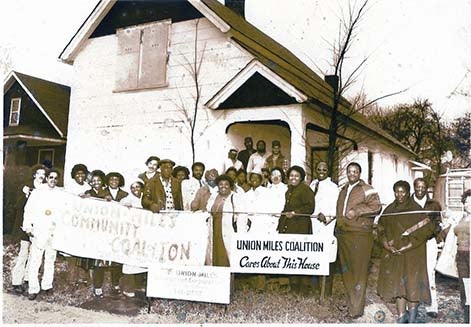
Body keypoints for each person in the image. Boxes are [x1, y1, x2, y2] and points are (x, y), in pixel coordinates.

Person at [377, 180, 435, 323]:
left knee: (412, 285)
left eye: (402, 191)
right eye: (397, 191)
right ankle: (402, 317)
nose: (399, 194)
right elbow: (380, 229)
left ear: (409, 193)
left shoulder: (416, 210)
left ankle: (413, 318)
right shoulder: (389, 209)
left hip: (413, 254)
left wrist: (407, 246)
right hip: (394, 255)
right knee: (399, 286)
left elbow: (425, 232)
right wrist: (386, 245)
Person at [335, 162, 381, 318]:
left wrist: (357, 211)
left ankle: (356, 309)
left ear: (360, 173)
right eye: (349, 171)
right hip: (344, 234)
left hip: (360, 235)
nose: (352, 174)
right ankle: (351, 305)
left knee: (359, 273)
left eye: (355, 171)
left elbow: (376, 207)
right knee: (347, 272)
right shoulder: (343, 189)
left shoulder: (367, 189)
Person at [22, 168, 65, 300]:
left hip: (53, 231)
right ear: (46, 178)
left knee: (50, 259)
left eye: (55, 178)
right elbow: (28, 210)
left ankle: (47, 286)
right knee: (35, 260)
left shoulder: (60, 193)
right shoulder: (38, 192)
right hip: (39, 230)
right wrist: (28, 226)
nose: (53, 180)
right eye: (51, 177)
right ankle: (33, 288)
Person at [277, 165, 315, 293]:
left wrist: (295, 212)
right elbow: (286, 207)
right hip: (289, 226)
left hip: (301, 226)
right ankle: (293, 286)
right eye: (291, 176)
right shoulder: (289, 190)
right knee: (291, 257)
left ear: (301, 178)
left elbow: (310, 208)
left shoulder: (305, 190)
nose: (294, 178)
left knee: (301, 256)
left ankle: (303, 288)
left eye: (296, 176)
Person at [11, 164, 47, 295]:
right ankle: (16, 282)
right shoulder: (26, 187)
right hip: (25, 226)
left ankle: (27, 279)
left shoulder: (44, 189)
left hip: (38, 226)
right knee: (23, 253)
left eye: (43, 174)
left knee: (34, 254)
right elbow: (17, 205)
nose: (41, 176)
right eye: (39, 173)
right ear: (34, 175)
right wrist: (25, 194)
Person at [411, 177, 443, 318]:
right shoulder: (408, 203)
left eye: (423, 187)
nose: (420, 189)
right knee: (412, 273)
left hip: (428, 242)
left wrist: (434, 235)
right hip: (411, 244)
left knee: (429, 273)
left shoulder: (434, 204)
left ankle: (432, 305)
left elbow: (438, 224)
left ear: (427, 188)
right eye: (418, 186)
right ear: (414, 187)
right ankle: (411, 305)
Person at [309, 161, 339, 297]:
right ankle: (315, 289)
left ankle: (326, 291)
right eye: (319, 169)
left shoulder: (333, 187)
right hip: (313, 225)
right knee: (315, 256)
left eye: (324, 169)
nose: (321, 171)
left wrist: (326, 217)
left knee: (327, 257)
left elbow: (336, 208)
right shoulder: (313, 184)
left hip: (325, 226)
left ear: (328, 171)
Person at [205, 174, 248, 266]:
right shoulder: (213, 196)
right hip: (214, 230)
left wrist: (240, 235)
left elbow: (242, 217)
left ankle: (228, 278)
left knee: (227, 256)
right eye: (220, 184)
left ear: (230, 186)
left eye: (226, 184)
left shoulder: (235, 197)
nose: (223, 186)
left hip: (228, 231)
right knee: (214, 254)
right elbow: (208, 211)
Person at [120, 180, 147, 298]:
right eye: (133, 187)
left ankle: (139, 286)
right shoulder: (127, 199)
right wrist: (125, 205)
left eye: (138, 186)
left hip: (143, 234)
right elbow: (120, 207)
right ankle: (128, 287)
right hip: (131, 234)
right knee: (129, 261)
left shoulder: (145, 199)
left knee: (142, 260)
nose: (135, 189)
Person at [455, 190, 470, 323]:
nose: (469, 204)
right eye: (466, 202)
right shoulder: (462, 217)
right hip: (461, 255)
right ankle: (467, 316)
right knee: (464, 286)